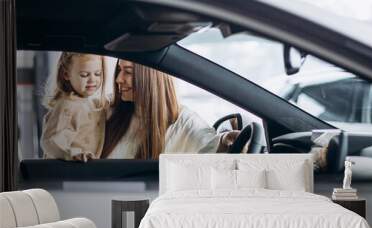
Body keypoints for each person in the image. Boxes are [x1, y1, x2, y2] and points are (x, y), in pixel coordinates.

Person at [101, 59, 239, 159]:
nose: (119, 79)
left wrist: (224, 139)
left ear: (151, 78)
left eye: (128, 72)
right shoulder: (108, 111)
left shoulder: (183, 121)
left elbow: (211, 147)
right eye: (119, 70)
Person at [41, 52, 108, 162]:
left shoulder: (90, 103)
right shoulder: (67, 106)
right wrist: (73, 154)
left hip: (82, 173)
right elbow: (50, 142)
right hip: (65, 173)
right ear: (66, 75)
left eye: (97, 74)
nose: (92, 80)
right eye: (84, 75)